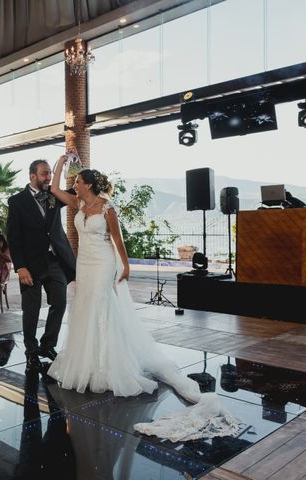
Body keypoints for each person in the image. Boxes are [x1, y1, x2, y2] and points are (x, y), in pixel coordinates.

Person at [46, 153, 241, 442]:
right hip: (84, 264)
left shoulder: (107, 208)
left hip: (103, 264)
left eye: (77, 181)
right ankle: (85, 364)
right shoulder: (79, 203)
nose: (73, 185)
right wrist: (61, 162)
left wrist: (125, 265)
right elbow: (53, 189)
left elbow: (117, 239)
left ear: (89, 184)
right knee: (85, 310)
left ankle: (105, 366)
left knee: (101, 309)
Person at [6, 159, 76, 372]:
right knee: (31, 311)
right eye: (44, 174)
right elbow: (13, 237)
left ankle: (48, 345)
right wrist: (20, 267)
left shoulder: (55, 196)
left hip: (56, 261)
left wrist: (70, 163)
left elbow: (77, 191)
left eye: (49, 174)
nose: (47, 178)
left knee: (60, 303)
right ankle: (31, 352)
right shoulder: (17, 201)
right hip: (30, 265)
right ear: (32, 176)